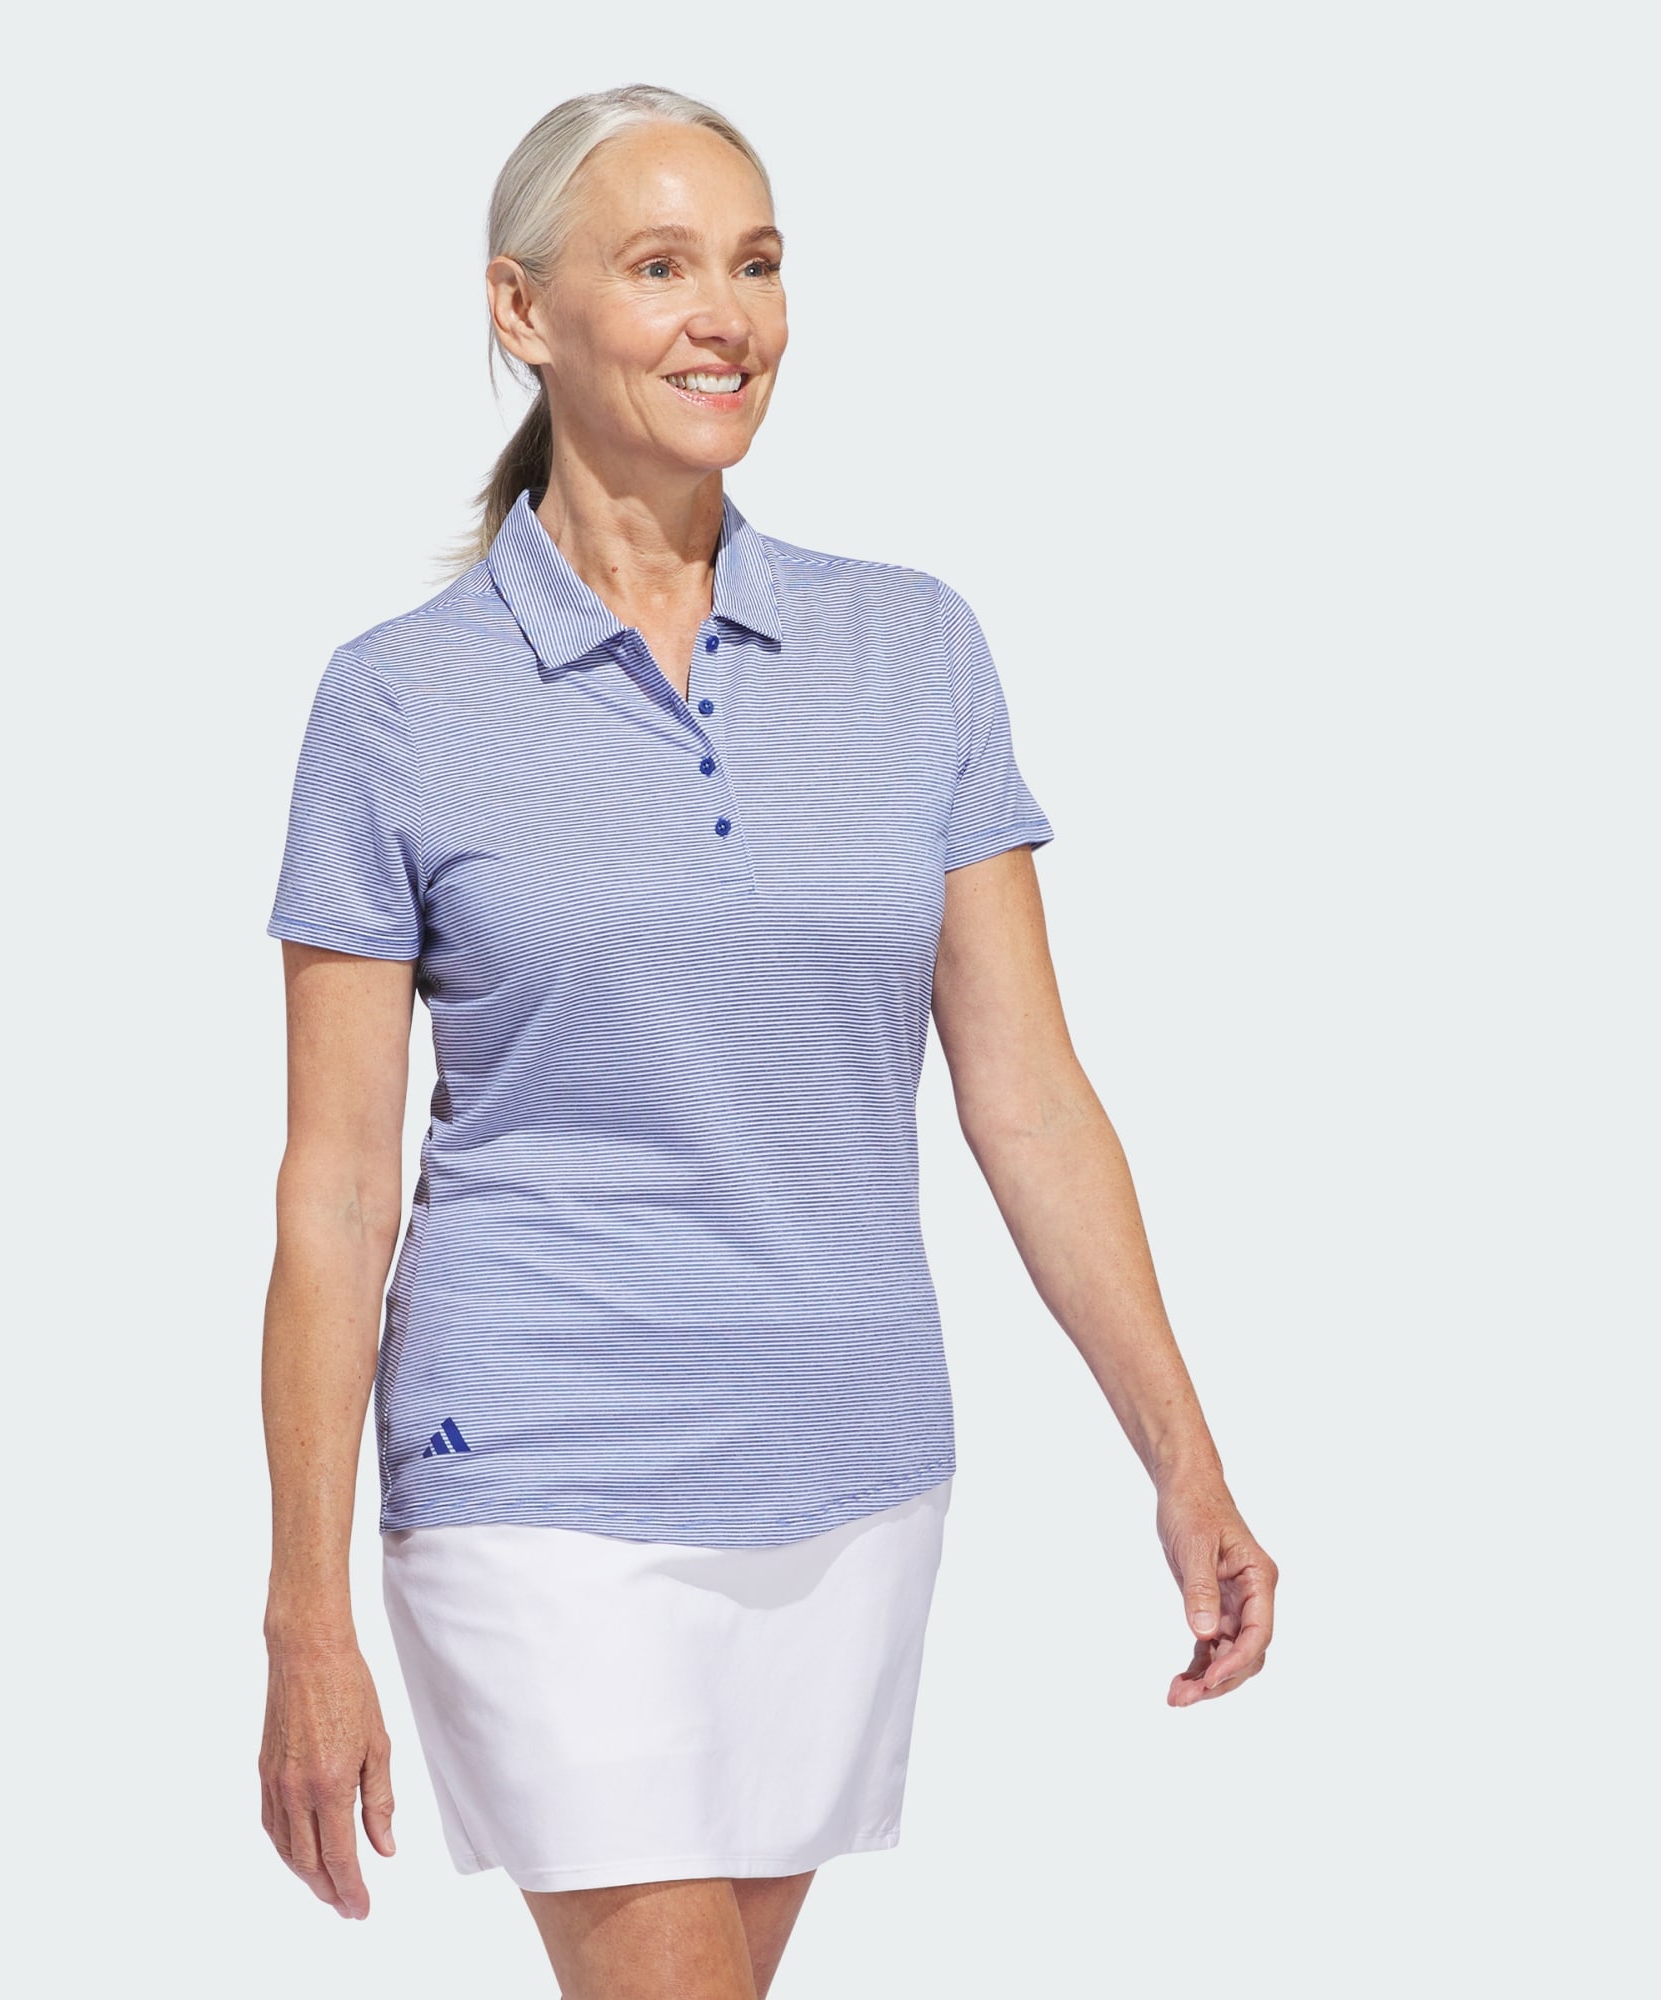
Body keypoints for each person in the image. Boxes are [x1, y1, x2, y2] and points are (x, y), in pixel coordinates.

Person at [257, 81, 1278, 2000]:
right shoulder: (398, 705)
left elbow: (1031, 1101)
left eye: (756, 262)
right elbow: (332, 1191)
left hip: (846, 1464)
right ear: (522, 308)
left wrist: (1185, 1457)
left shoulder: (913, 650)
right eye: (659, 266)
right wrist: (304, 1610)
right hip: (538, 1467)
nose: (725, 314)